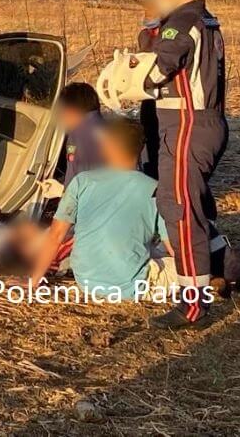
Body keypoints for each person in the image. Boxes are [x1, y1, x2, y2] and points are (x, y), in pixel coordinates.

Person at [143, 0, 229, 329]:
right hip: (203, 123)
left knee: (181, 212)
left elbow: (160, 67)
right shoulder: (205, 19)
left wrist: (133, 84)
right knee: (179, 204)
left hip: (187, 124)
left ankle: (192, 304)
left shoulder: (181, 21)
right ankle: (233, 270)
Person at [26, 117, 175, 300]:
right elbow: (174, 247)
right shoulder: (156, 189)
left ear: (105, 148)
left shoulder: (81, 181)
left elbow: (56, 235)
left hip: (86, 281)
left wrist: (32, 283)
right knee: (185, 260)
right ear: (141, 148)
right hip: (131, 287)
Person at [58, 82, 104, 186]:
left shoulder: (75, 138)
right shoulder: (108, 127)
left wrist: (63, 191)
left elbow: (74, 174)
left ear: (70, 111)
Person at [137, 0, 161, 180]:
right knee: (148, 132)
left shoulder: (171, 34)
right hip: (147, 93)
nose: (146, 16)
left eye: (150, 12)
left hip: (164, 93)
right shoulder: (144, 35)